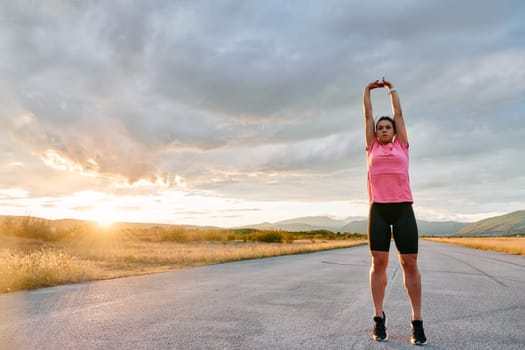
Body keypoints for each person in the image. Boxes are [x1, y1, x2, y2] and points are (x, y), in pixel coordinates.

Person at [362, 78, 427, 345]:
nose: (384, 129)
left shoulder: (402, 146)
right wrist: (367, 90)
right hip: (378, 210)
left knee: (409, 263)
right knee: (379, 264)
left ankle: (417, 321)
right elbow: (367, 114)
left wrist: (391, 91)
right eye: (380, 127)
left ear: (395, 131)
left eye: (388, 127)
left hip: (402, 209)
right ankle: (378, 318)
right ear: (375, 133)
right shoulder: (372, 147)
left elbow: (399, 113)